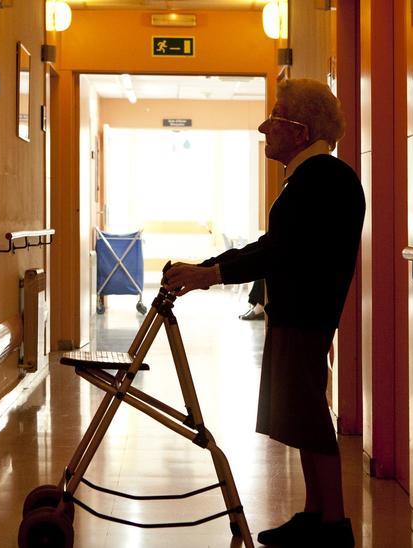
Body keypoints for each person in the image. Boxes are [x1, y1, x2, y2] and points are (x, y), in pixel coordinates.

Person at [162, 78, 364, 547]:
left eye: (275, 116)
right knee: (301, 415)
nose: (264, 127)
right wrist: (208, 267)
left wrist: (207, 276)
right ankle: (317, 515)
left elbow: (279, 252)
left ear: (299, 128)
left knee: (310, 418)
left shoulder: (324, 179)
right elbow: (274, 247)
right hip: (299, 313)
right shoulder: (311, 178)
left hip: (307, 315)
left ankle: (333, 525)